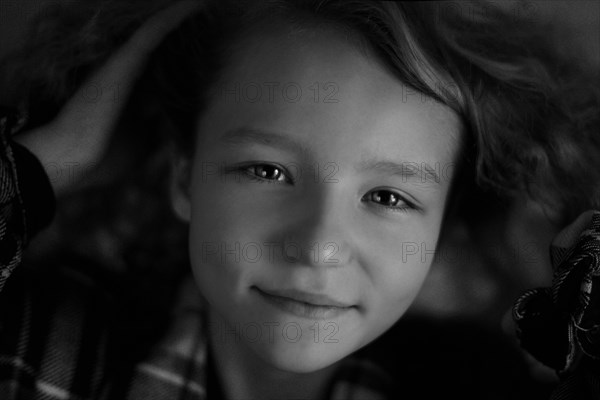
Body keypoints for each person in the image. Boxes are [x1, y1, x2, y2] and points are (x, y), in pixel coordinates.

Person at [0, 0, 598, 399]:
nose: (318, 247)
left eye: (388, 196)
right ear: (185, 178)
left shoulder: (485, 387)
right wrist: (37, 171)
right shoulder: (38, 342)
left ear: (444, 225)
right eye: (267, 170)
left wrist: (556, 296)